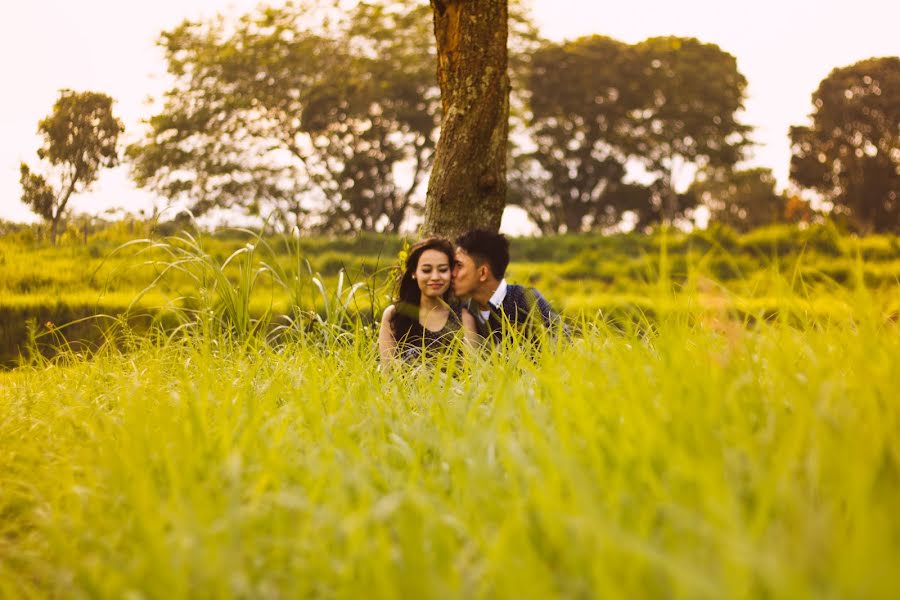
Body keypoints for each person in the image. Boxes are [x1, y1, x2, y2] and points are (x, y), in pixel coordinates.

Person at [452, 229, 566, 342]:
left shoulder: (525, 298)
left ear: (483, 273)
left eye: (459, 265)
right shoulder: (465, 311)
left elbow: (564, 339)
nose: (453, 273)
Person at [378, 237, 479, 364]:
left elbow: (473, 373)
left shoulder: (463, 316)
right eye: (426, 270)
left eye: (443, 270)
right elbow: (388, 373)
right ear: (414, 273)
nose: (435, 277)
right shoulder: (394, 315)